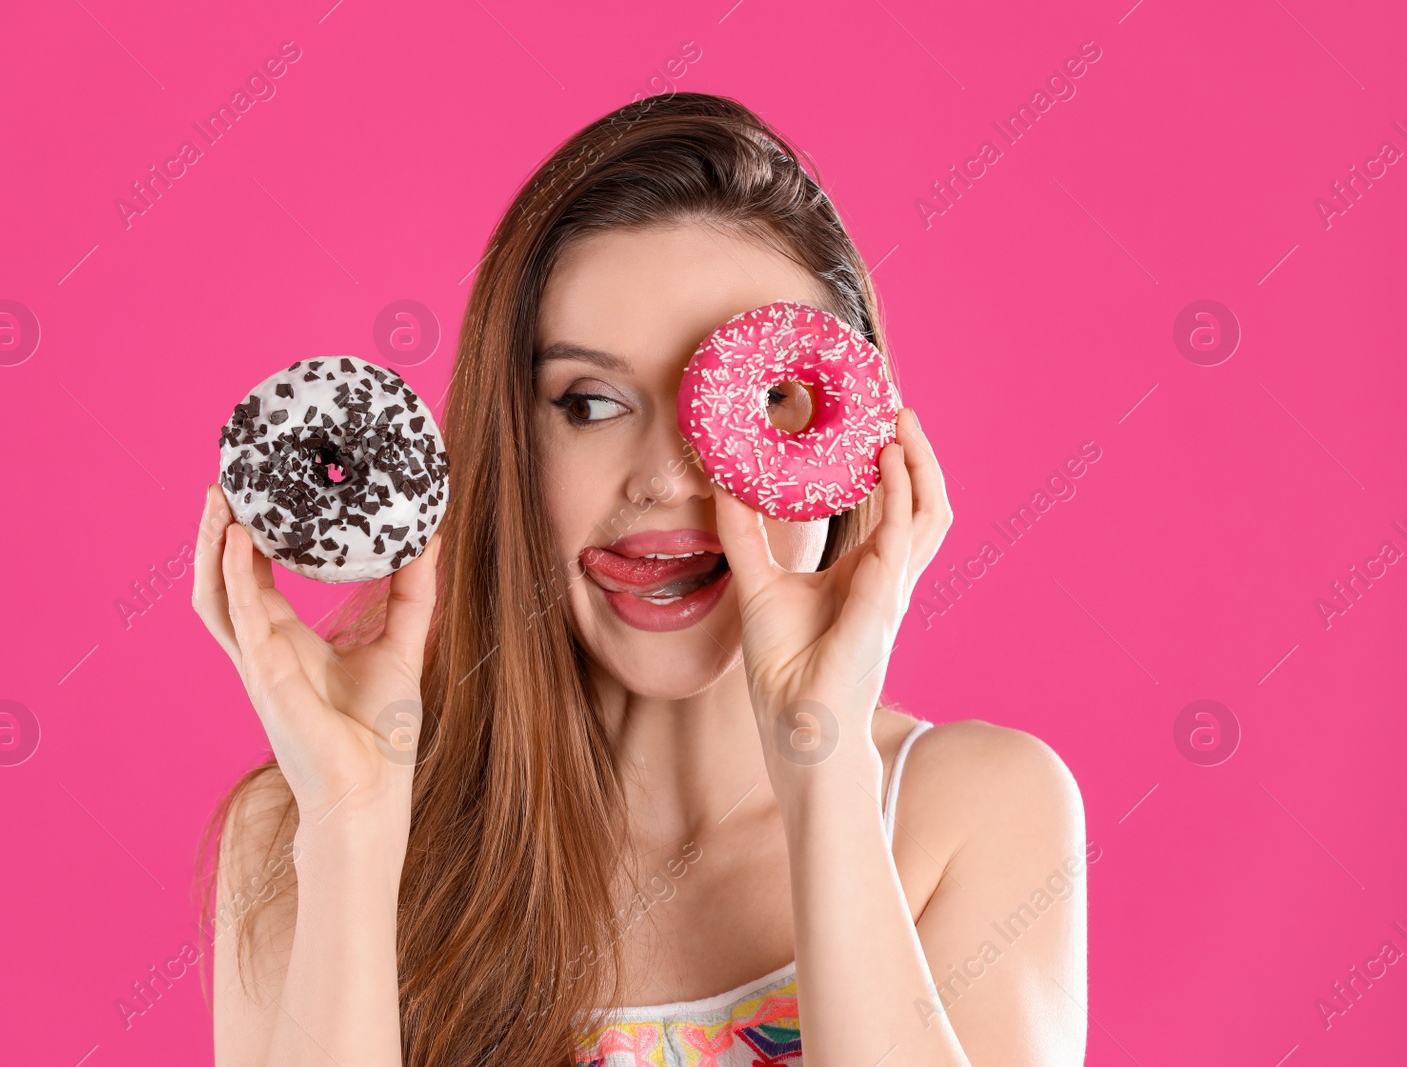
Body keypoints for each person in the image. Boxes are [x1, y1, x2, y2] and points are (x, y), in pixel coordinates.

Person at [191, 91, 1087, 1067]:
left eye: (762, 400)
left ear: (856, 445)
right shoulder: (295, 827)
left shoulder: (975, 811)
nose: (664, 475)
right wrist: (352, 828)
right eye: (589, 401)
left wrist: (822, 766)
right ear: (510, 446)